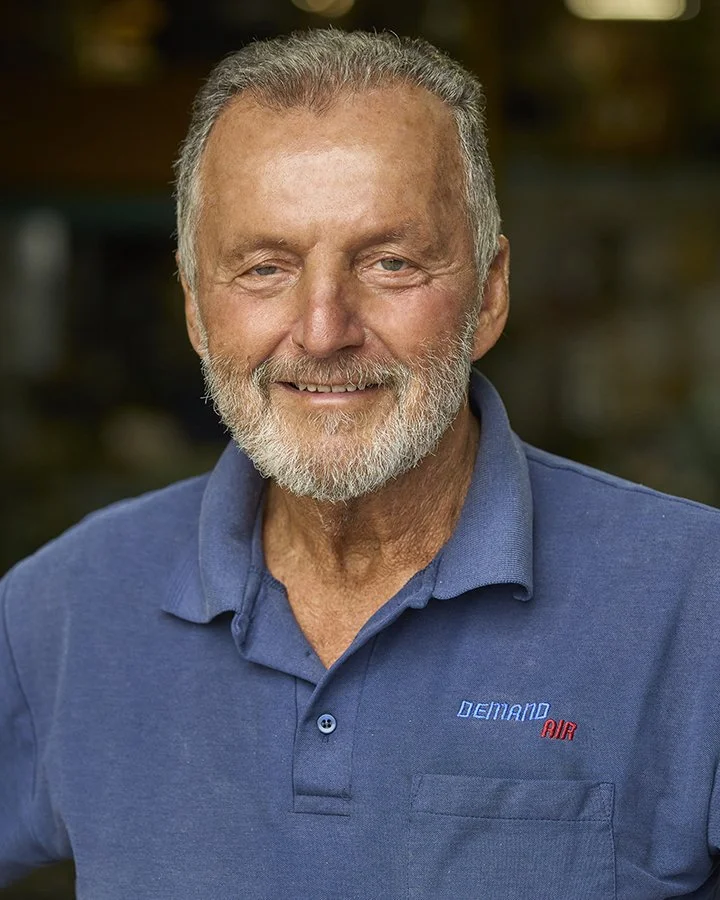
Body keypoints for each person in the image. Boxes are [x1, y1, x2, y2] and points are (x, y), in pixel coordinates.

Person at [1, 28, 719, 900]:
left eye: (390, 263)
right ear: (195, 308)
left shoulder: (695, 601)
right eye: (264, 268)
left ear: (489, 294)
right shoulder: (65, 605)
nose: (322, 330)